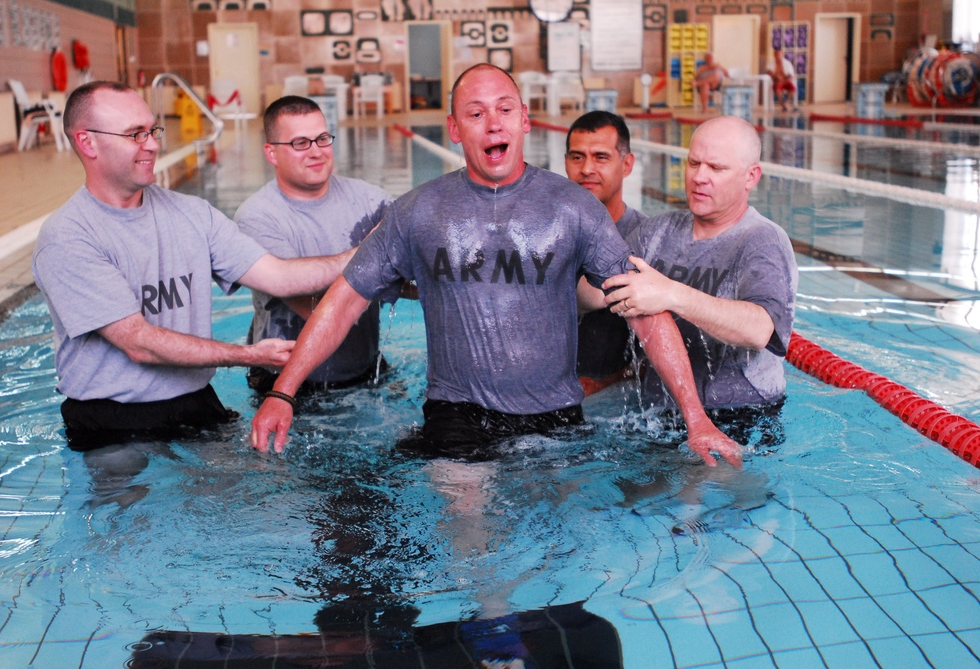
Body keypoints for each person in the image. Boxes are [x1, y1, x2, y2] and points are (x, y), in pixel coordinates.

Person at [250, 64, 741, 467]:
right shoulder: (418, 211)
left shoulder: (573, 208)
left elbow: (646, 312)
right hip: (457, 417)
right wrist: (284, 391)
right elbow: (342, 302)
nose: (493, 123)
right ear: (454, 128)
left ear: (525, 120)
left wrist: (696, 419)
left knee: (561, 558)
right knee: (477, 559)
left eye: (505, 110)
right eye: (476, 113)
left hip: (555, 415)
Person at [31, 81, 356, 450]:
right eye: (135, 134)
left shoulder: (191, 214)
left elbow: (278, 276)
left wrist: (362, 255)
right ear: (87, 142)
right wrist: (248, 355)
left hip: (196, 402)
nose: (153, 144)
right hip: (110, 421)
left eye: (152, 130)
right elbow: (139, 344)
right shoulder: (68, 237)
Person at [602, 115, 798, 427]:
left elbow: (760, 329)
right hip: (658, 413)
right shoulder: (656, 232)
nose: (699, 177)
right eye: (694, 163)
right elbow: (594, 290)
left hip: (742, 415)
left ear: (751, 177)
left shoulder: (761, 241)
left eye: (716, 168)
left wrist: (671, 294)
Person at [235, 95, 394, 393]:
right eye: (300, 143)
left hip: (367, 369)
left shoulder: (370, 200)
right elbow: (314, 308)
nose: (316, 152)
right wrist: (377, 254)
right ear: (271, 153)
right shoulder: (257, 218)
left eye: (322, 138)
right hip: (286, 382)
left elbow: (415, 269)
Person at [564, 110, 649, 395]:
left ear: (626, 164)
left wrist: (603, 385)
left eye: (601, 157)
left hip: (615, 402)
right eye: (577, 157)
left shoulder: (648, 240)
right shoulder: (545, 233)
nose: (587, 168)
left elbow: (667, 348)